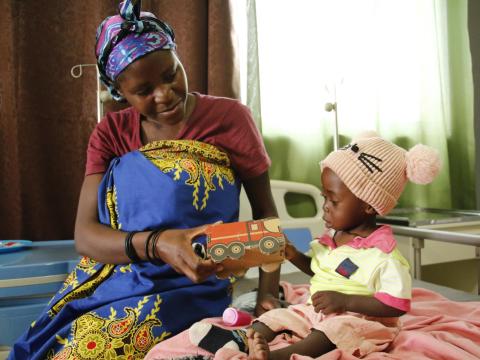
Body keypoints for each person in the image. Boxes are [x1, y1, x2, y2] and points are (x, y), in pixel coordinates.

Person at [8, 1, 281, 359]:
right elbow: (86, 237)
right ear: (120, 91)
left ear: (178, 57)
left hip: (193, 284)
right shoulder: (111, 134)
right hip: (114, 277)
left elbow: (265, 218)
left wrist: (267, 295)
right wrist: (159, 243)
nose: (165, 95)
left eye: (171, 74)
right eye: (144, 90)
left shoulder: (231, 119)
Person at [188, 133, 441, 359]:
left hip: (362, 320)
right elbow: (318, 270)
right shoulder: (333, 238)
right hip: (318, 310)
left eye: (333, 200)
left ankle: (275, 358)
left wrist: (345, 302)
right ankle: (242, 340)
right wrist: (294, 255)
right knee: (280, 315)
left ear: (368, 205)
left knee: (332, 331)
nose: (325, 206)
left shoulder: (382, 255)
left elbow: (396, 304)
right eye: (324, 197)